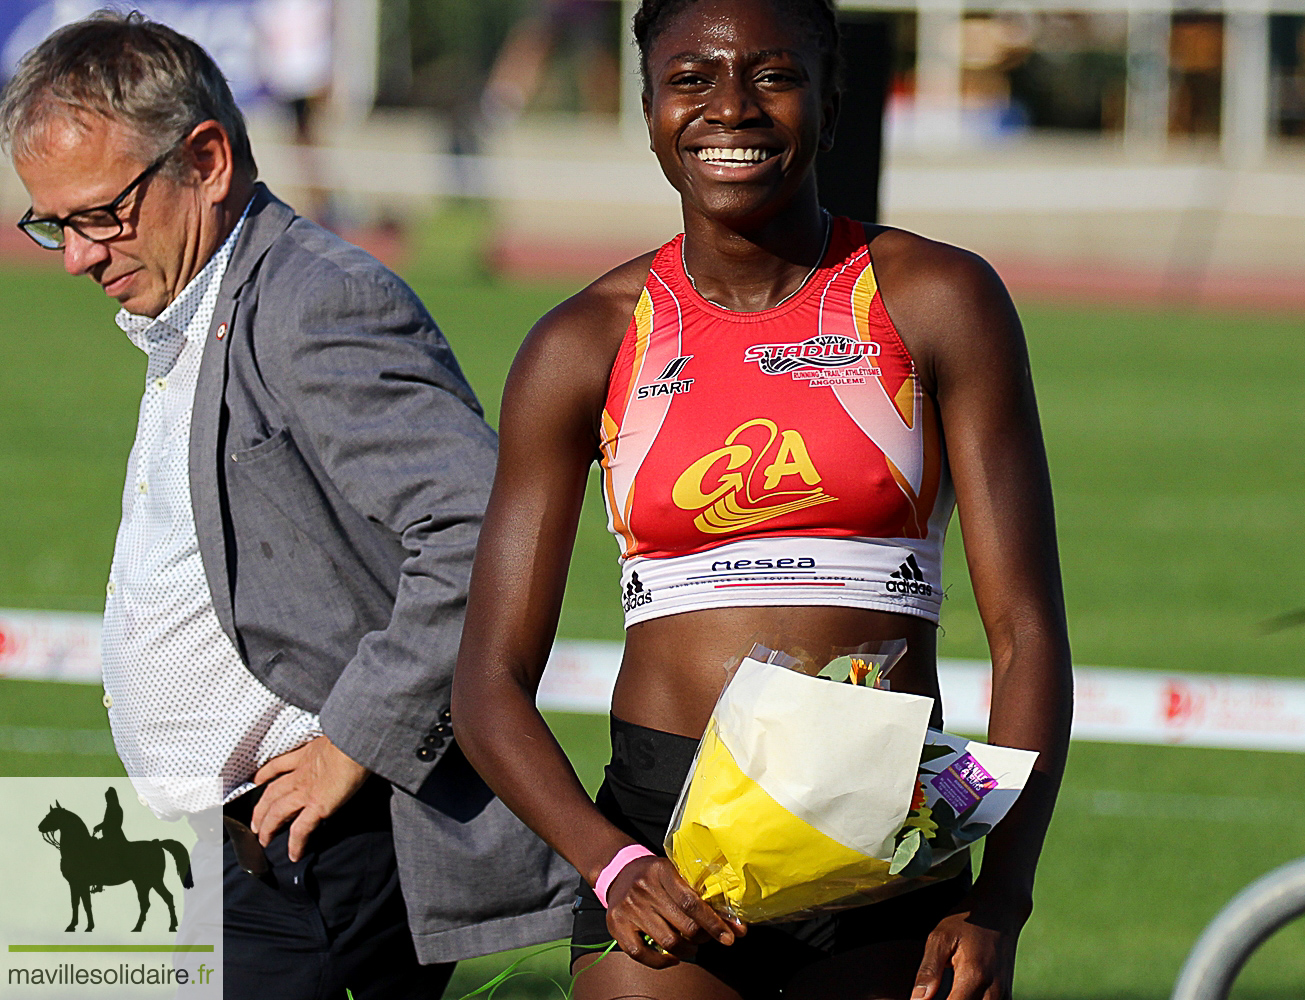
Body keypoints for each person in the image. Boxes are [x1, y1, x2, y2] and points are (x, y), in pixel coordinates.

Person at [450, 0, 1073, 994]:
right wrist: (612, 862)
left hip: (891, 833)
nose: (729, 109)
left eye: (773, 77)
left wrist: (1000, 896)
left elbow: (1027, 633)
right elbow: (486, 681)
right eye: (691, 80)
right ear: (648, 104)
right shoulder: (582, 344)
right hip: (665, 845)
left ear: (832, 98)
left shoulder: (936, 299)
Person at [0, 12, 575, 998]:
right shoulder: (183, 297)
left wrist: (356, 735)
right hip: (187, 835)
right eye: (52, 223)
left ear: (207, 159)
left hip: (307, 850)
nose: (75, 257)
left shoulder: (315, 300)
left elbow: (483, 526)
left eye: (99, 215)